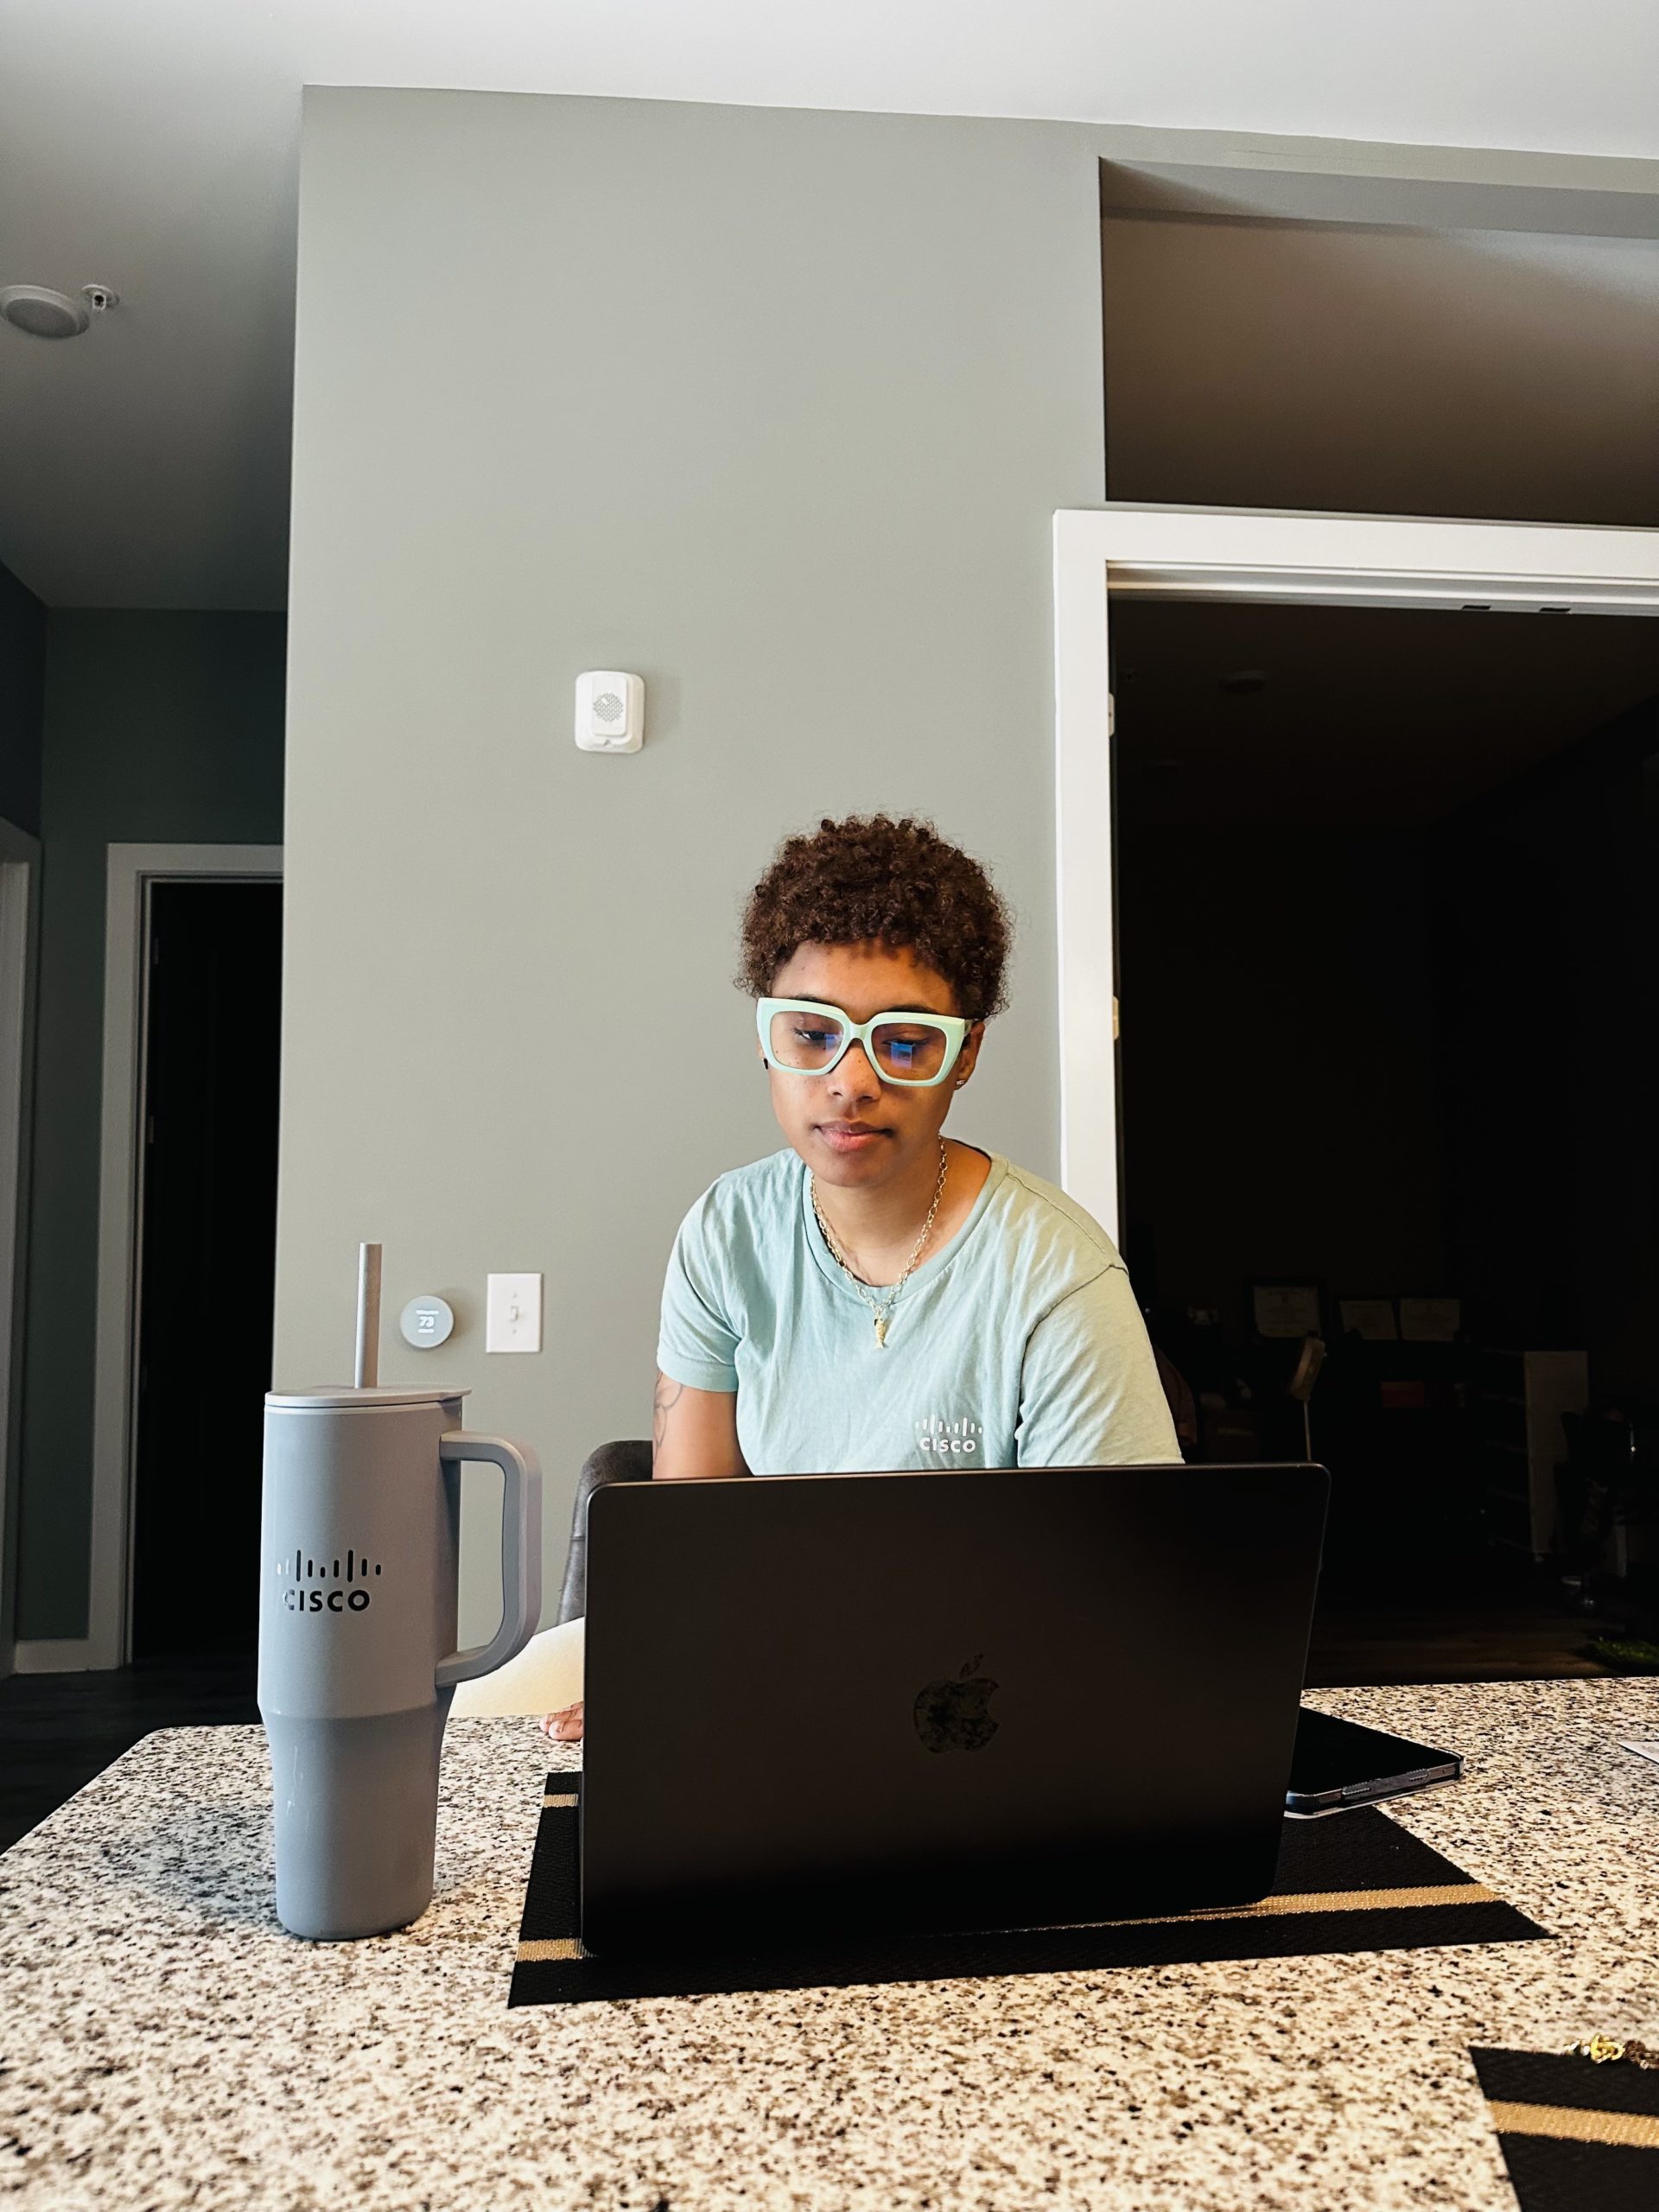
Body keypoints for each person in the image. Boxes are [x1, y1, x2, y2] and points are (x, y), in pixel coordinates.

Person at [545, 814, 1177, 1740]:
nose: (850, 1081)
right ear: (769, 1040)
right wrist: (658, 1666)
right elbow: (693, 1532)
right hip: (779, 1687)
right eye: (812, 1034)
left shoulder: (1057, 1277)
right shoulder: (727, 1231)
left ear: (965, 1054)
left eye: (906, 1042)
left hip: (979, 1712)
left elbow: (1109, 1596)